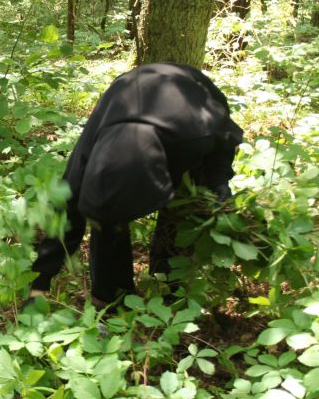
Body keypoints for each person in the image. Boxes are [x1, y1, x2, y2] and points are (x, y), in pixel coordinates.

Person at [29, 62, 244, 308]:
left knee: (183, 209)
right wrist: (40, 283)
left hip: (190, 105)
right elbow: (66, 214)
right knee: (107, 214)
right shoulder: (91, 148)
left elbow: (223, 149)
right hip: (130, 102)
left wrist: (219, 188)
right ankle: (111, 297)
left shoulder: (199, 137)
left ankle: (170, 286)